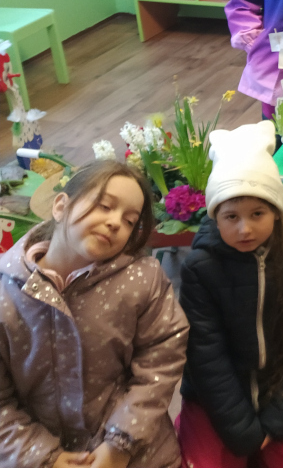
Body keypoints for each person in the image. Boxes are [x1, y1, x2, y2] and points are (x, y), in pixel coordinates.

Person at [178, 122, 283, 468]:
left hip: (279, 385)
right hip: (217, 397)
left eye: (258, 213)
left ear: (276, 211)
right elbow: (205, 357)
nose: (245, 228)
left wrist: (277, 420)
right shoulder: (199, 268)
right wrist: (241, 431)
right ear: (215, 216)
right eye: (231, 216)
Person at [0, 161, 188, 468]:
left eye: (130, 221)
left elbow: (161, 362)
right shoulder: (5, 295)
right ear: (61, 206)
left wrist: (120, 445)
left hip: (141, 454)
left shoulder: (143, 279)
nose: (115, 223)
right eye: (105, 206)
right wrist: (43, 456)